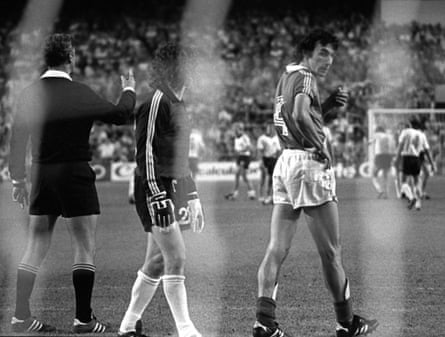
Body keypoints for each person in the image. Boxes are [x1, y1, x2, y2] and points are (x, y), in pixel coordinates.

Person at [253, 30, 378, 337]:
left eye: (332, 54)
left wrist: (328, 107)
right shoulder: (306, 77)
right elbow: (299, 114)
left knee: (275, 248)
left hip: (285, 164)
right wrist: (320, 146)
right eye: (323, 52)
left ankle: (264, 322)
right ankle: (347, 322)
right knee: (332, 253)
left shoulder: (287, 78)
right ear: (307, 51)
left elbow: (297, 114)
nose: (328, 60)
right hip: (309, 165)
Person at [8, 33, 136, 333]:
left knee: (36, 245)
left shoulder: (29, 94)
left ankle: (20, 316)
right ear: (71, 58)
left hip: (41, 173)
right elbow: (120, 115)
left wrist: (18, 179)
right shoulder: (79, 91)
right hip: (74, 173)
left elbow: (17, 139)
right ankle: (83, 319)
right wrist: (128, 89)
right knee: (84, 246)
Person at [118, 42, 204, 337]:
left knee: (156, 261)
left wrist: (191, 195)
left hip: (170, 186)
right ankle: (185, 329)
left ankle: (129, 325)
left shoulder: (178, 104)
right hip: (153, 188)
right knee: (176, 256)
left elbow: (181, 157)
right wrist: (158, 195)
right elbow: (146, 155)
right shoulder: (156, 101)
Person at [395, 118, 435, 210]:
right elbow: (426, 150)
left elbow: (400, 146)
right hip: (417, 158)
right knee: (417, 181)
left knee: (403, 182)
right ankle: (418, 204)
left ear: (408, 126)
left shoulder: (405, 132)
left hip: (406, 157)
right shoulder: (421, 134)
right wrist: (432, 163)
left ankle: (412, 197)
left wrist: (397, 159)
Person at [225, 122, 256, 200]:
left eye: (237, 130)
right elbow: (237, 149)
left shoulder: (245, 137)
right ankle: (251, 193)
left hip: (245, 157)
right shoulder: (236, 138)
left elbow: (249, 147)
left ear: (240, 130)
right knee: (242, 176)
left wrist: (241, 151)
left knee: (239, 174)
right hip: (240, 157)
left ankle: (235, 193)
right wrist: (236, 152)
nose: (235, 131)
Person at [368, 126, 396, 199]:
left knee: (374, 175)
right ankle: (386, 193)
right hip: (388, 156)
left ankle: (380, 189)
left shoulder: (376, 135)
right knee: (386, 176)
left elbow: (370, 142)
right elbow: (393, 146)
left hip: (379, 156)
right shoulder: (389, 136)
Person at [256, 124, 281, 205]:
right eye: (268, 128)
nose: (270, 130)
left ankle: (268, 196)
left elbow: (278, 150)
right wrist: (260, 161)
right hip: (265, 159)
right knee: (263, 177)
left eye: (271, 129)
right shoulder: (262, 138)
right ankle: (261, 196)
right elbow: (260, 150)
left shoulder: (276, 138)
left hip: (273, 159)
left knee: (270, 178)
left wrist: (278, 160)